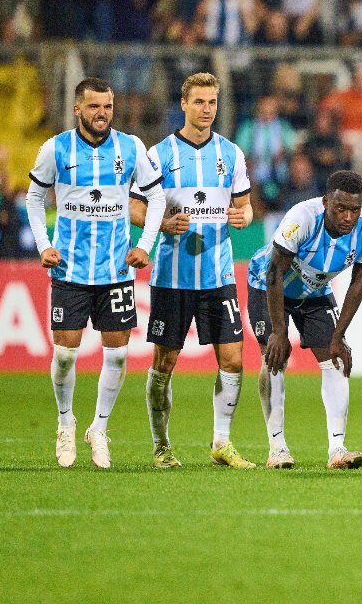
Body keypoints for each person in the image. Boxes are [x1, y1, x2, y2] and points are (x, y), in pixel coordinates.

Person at [25, 77, 166, 469]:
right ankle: (65, 420)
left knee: (118, 355)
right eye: (93, 107)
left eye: (107, 106)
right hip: (69, 268)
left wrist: (145, 245)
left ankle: (99, 429)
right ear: (77, 109)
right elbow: (34, 198)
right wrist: (43, 245)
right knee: (66, 354)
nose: (101, 113)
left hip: (116, 270)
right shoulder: (55, 149)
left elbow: (155, 196)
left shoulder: (131, 147)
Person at [128, 72, 255, 469]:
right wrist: (163, 223)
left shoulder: (231, 154)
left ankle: (221, 442)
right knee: (164, 364)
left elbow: (246, 207)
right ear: (183, 104)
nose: (206, 109)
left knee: (233, 360)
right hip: (172, 278)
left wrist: (243, 217)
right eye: (199, 102)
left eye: (212, 102)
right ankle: (161, 445)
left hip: (218, 277)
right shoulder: (158, 154)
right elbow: (134, 207)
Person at [247, 170, 362, 470]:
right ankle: (277, 448)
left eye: (354, 209)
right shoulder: (303, 218)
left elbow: (359, 281)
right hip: (269, 287)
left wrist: (339, 336)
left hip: (315, 292)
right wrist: (279, 332)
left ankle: (337, 449)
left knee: (336, 359)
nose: (348, 217)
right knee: (275, 359)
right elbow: (273, 273)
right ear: (325, 202)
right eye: (340, 208)